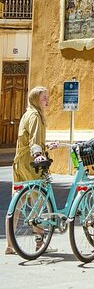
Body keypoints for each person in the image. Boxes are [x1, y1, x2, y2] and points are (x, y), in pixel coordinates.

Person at [5, 86, 58, 255]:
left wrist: (45, 146)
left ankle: (10, 245)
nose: (47, 100)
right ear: (35, 99)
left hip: (20, 162)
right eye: (43, 98)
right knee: (39, 203)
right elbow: (34, 141)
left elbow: (29, 140)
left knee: (17, 203)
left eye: (47, 97)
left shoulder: (27, 114)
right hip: (31, 164)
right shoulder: (35, 116)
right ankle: (39, 243)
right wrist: (38, 154)